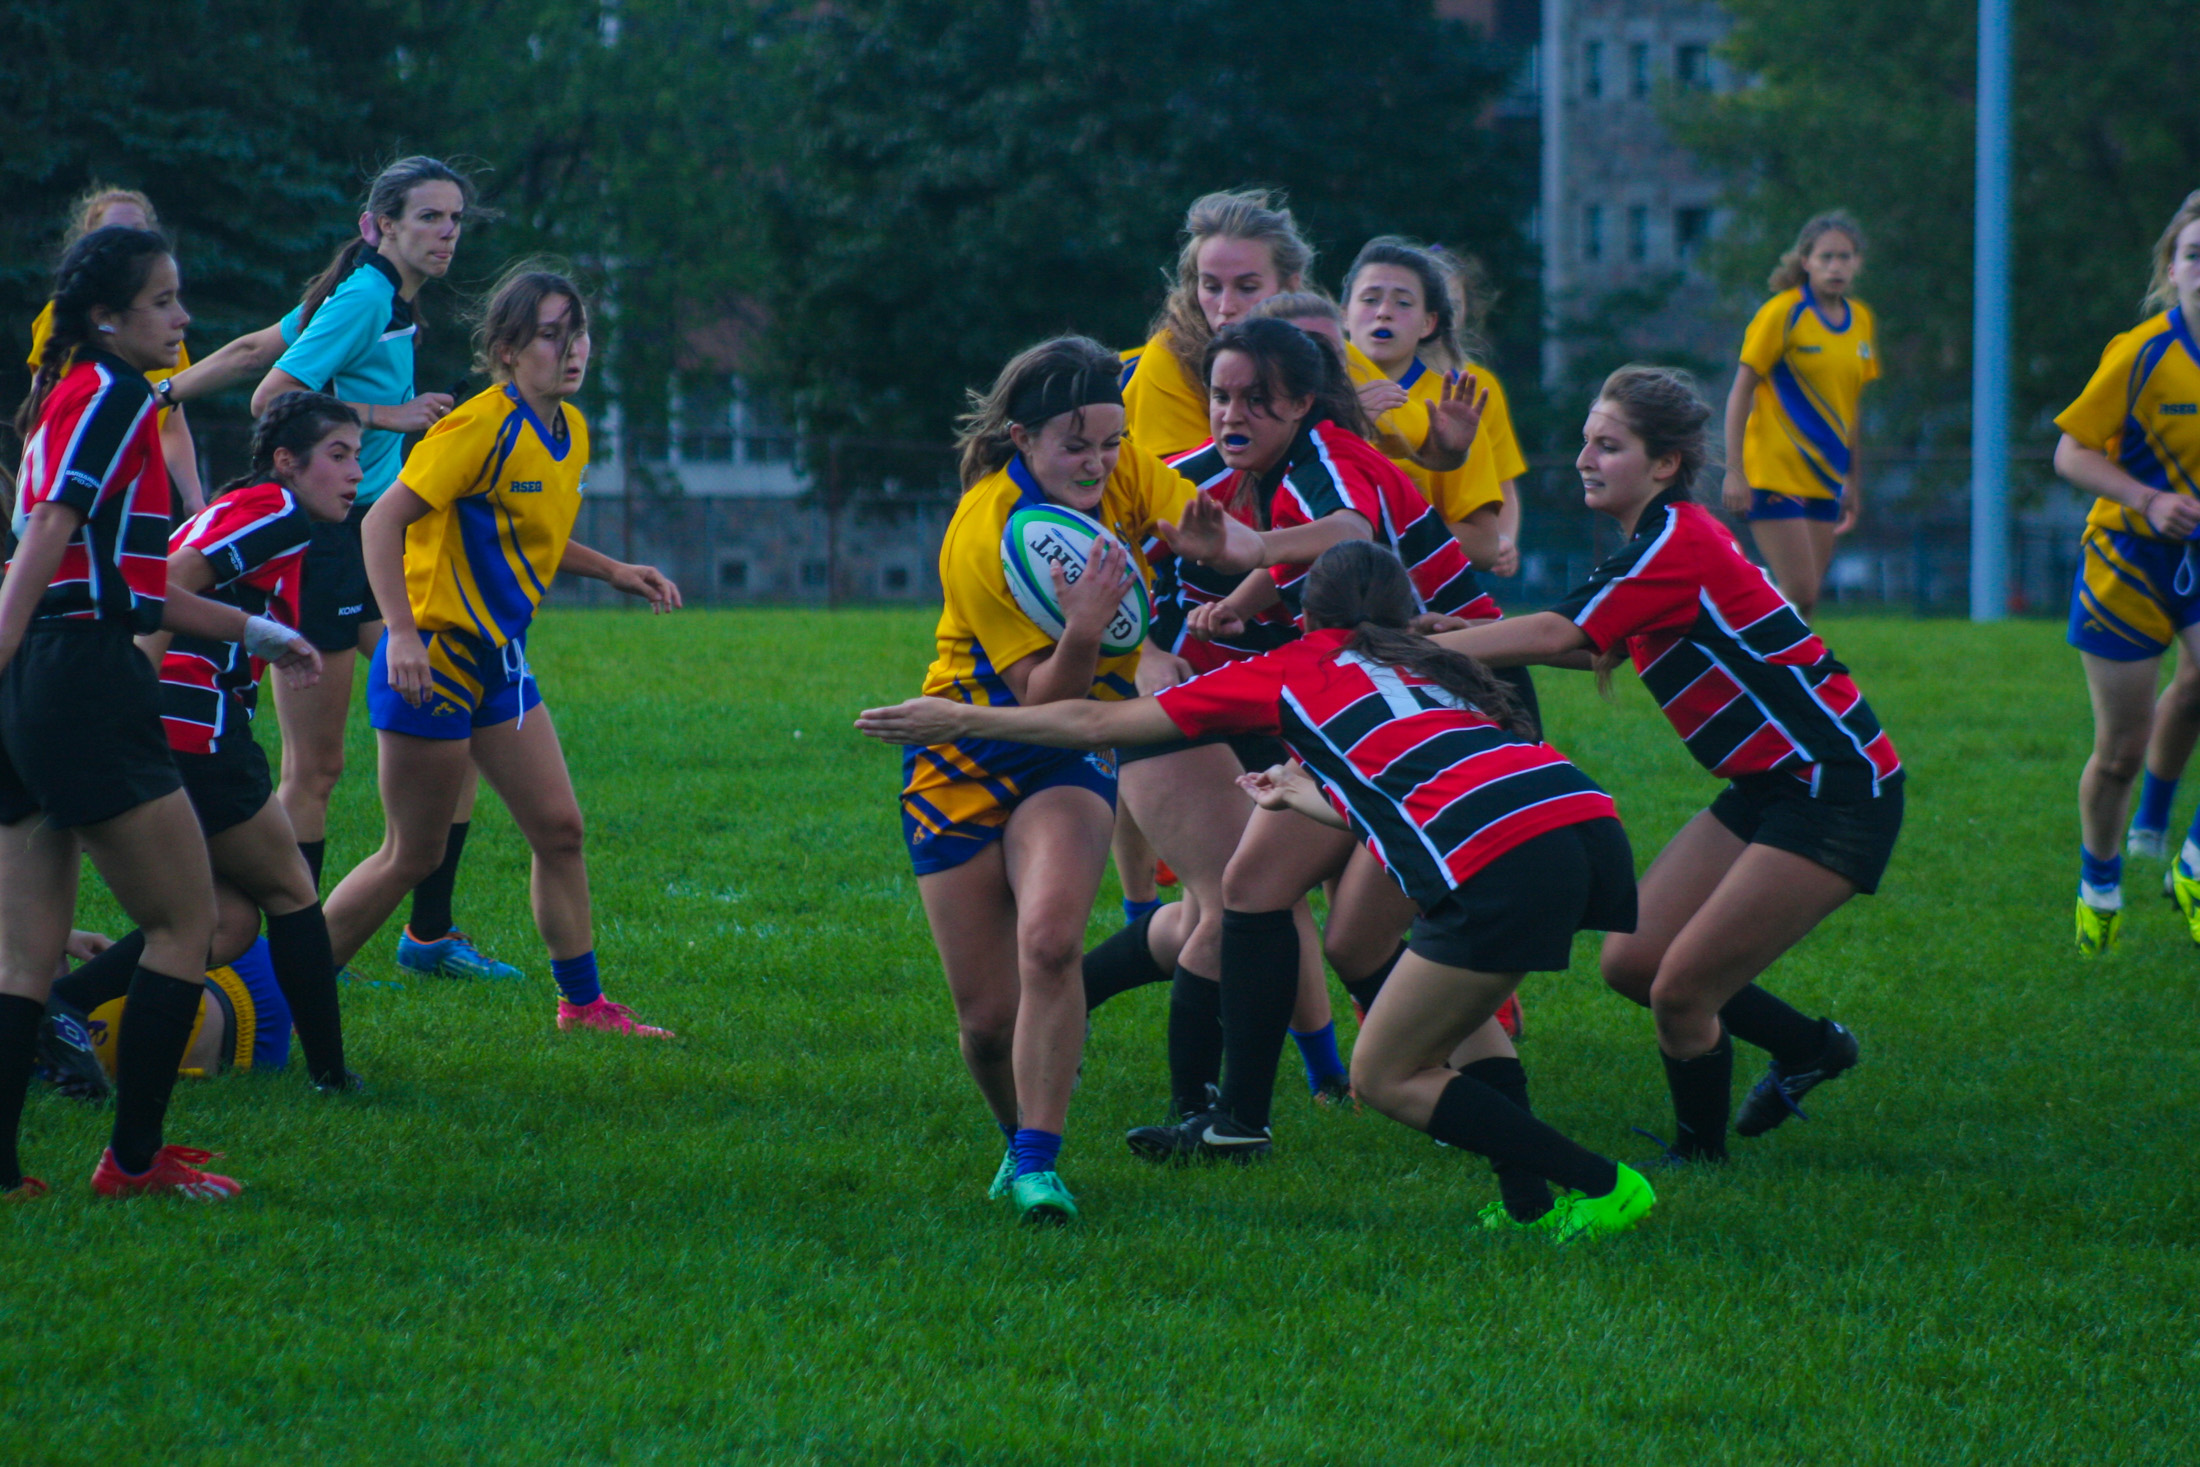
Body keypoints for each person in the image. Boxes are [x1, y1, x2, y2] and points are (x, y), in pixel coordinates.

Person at [859, 540, 1656, 1243]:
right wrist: (1300, 795)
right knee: (1455, 1013)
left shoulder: (1290, 668)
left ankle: (1605, 1186)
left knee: (1385, 1075)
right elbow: (1402, 777)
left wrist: (959, 718)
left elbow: (1100, 725)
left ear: (1306, 618)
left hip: (1500, 852)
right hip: (1581, 822)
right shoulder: (1437, 664)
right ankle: (1529, 1208)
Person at [1434, 365, 1898, 1164]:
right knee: (1635, 961)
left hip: (1835, 787)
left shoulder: (1677, 540)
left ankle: (1698, 1160)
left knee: (1682, 990)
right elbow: (1592, 641)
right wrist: (1444, 632)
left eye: (1608, 445)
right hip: (1773, 784)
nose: (1584, 458)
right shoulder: (1657, 539)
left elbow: (1560, 637)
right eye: (1585, 441)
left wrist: (1418, 649)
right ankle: (1813, 1047)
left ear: (1664, 465)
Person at [893, 334, 1275, 1225]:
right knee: (986, 1019)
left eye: (1110, 441)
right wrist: (1086, 626)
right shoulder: (985, 527)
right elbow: (1039, 693)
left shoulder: (1126, 469)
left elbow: (1226, 537)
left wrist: (1245, 543)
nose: (1100, 463)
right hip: (964, 751)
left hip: (1072, 751)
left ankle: (1040, 1161)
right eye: (1077, 444)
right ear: (1022, 437)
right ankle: (1013, 1139)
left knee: (1053, 941)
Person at [1102, 316, 1495, 1144]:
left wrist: (1247, 555)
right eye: (1219, 395)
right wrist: (1156, 643)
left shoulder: (1324, 464)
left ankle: (1237, 1111)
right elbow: (1123, 521)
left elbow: (1347, 536)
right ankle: (1233, 1115)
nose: (1231, 412)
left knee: (1296, 913)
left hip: (1439, 699)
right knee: (1269, 904)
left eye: (1256, 398)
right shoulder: (1213, 469)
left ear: (1306, 400)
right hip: (1376, 697)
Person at [1, 225, 321, 1201]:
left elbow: (134, 579)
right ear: (109, 318)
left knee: (24, 956)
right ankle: (131, 1163)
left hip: (40, 685)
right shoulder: (111, 395)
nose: (184, 320)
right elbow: (47, 541)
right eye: (165, 303)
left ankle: (5, 1175)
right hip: (83, 682)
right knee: (189, 924)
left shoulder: (70, 395)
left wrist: (254, 633)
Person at [319, 265, 681, 1041]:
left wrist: (614, 569)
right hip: (434, 658)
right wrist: (405, 634)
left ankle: (583, 1006)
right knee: (409, 854)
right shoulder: (476, 426)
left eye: (578, 331)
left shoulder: (570, 429)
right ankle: (283, 994)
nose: (572, 349)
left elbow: (528, 531)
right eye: (552, 334)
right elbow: (381, 524)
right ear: (508, 349)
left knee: (560, 827)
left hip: (500, 659)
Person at [45, 392, 367, 1094]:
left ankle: (61, 1011)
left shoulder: (251, 504)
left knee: (225, 919)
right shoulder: (279, 513)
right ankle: (330, 1076)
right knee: (290, 891)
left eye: (358, 457)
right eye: (338, 456)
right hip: (195, 726)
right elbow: (163, 586)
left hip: (180, 722)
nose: (354, 473)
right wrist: (133, 695)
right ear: (288, 461)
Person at [248, 156, 517, 982]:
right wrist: (386, 415)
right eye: (430, 218)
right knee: (316, 769)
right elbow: (273, 393)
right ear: (381, 226)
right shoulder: (367, 295)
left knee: (451, 715)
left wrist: (173, 388)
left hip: (372, 536)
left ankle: (429, 937)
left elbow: (264, 343)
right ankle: (287, 958)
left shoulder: (390, 298)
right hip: (326, 544)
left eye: (455, 219)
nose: (446, 233)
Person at [2057, 190, 2200, 953]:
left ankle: (2194, 862)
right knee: (2118, 751)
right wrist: (2146, 498)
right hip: (2127, 560)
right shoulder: (2142, 351)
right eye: (2194, 254)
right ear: (2172, 269)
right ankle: (2099, 880)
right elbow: (2071, 451)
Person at [1719, 212, 1878, 622]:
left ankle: (1772, 669)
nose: (1835, 266)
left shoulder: (1861, 320)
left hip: (1825, 477)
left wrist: (1854, 481)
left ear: (1858, 262)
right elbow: (1740, 392)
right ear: (1805, 261)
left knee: (1804, 602)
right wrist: (1733, 470)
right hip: (1774, 471)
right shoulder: (1783, 313)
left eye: (1844, 257)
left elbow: (1851, 408)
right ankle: (1731, 625)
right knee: (1799, 588)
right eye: (1825, 257)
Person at [25, 187, 206, 515]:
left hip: (137, 491)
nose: (181, 317)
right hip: (82, 491)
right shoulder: (66, 317)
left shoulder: (162, 332)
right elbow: (41, 411)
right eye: (112, 232)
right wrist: (33, 496)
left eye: (138, 231)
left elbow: (172, 425)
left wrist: (194, 499)